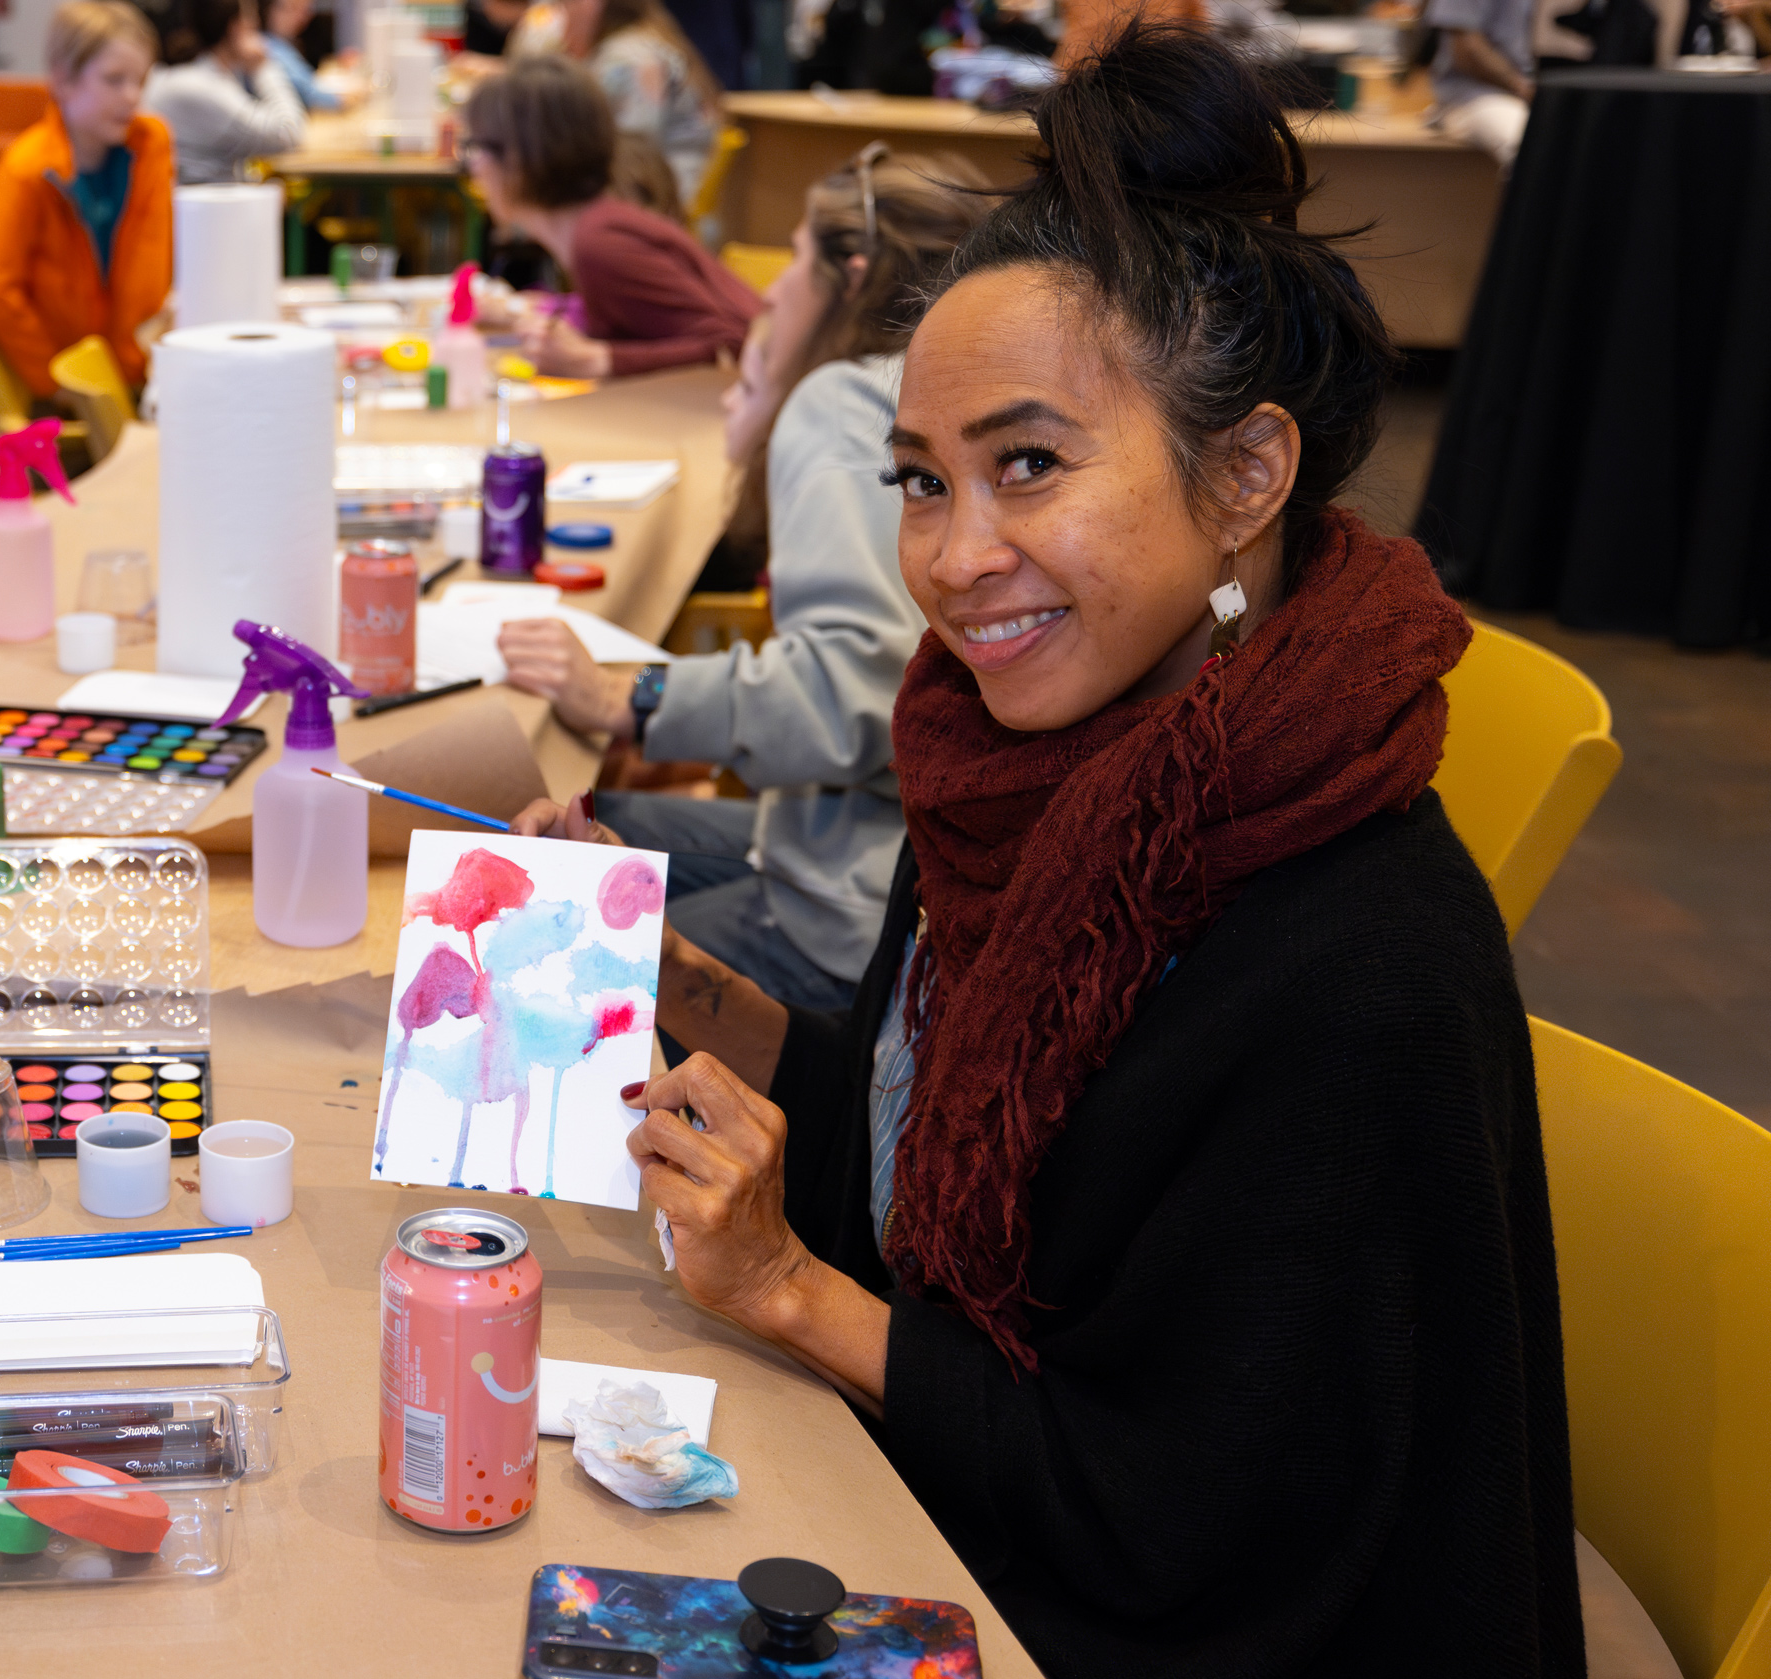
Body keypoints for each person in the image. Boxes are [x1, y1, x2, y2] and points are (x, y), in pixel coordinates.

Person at [515, 25, 1578, 1673]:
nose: (953, 557)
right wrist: (658, 971)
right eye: (920, 481)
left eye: (1029, 464)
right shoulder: (1020, 782)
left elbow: (1176, 1516)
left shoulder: (1354, 952)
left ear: (1246, 474)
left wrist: (794, 1287)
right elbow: (913, 1112)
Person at [499, 145, 987, 1012]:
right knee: (586, 825)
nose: (769, 290)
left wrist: (636, 698)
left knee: (533, 940)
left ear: (854, 274)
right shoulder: (939, 391)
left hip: (863, 915)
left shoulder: (843, 401)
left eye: (796, 255)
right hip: (885, 849)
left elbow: (853, 688)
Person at [461, 59, 757, 377]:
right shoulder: (596, 227)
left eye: (477, 148)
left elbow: (734, 344)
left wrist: (600, 360)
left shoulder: (600, 245)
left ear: (520, 159)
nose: (474, 166)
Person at [0, 0, 175, 399]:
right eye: (114, 80)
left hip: (139, 374)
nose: (132, 96)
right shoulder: (27, 170)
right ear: (63, 80)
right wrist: (56, 381)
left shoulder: (151, 145)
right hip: (62, 392)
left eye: (140, 81)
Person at [557, 0, 721, 206]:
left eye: (567, 5)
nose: (561, 20)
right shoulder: (644, 41)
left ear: (593, 6)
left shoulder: (628, 61)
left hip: (659, 208)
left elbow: (630, 163)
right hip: (666, 199)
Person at [144, 0, 308, 186]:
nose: (256, 27)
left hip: (211, 201)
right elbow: (287, 133)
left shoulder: (205, 74)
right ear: (236, 28)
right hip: (205, 208)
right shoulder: (202, 87)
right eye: (251, 20)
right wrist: (263, 67)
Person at [1426, 0, 1539, 169]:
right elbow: (1465, 48)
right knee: (1531, 146)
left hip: (1546, 92)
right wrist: (1522, 87)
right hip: (1479, 94)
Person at [263, 0, 345, 109]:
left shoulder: (285, 42)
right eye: (293, 8)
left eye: (305, 10)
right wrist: (344, 100)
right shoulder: (268, 48)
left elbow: (308, 81)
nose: (301, 17)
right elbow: (307, 94)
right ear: (270, 9)